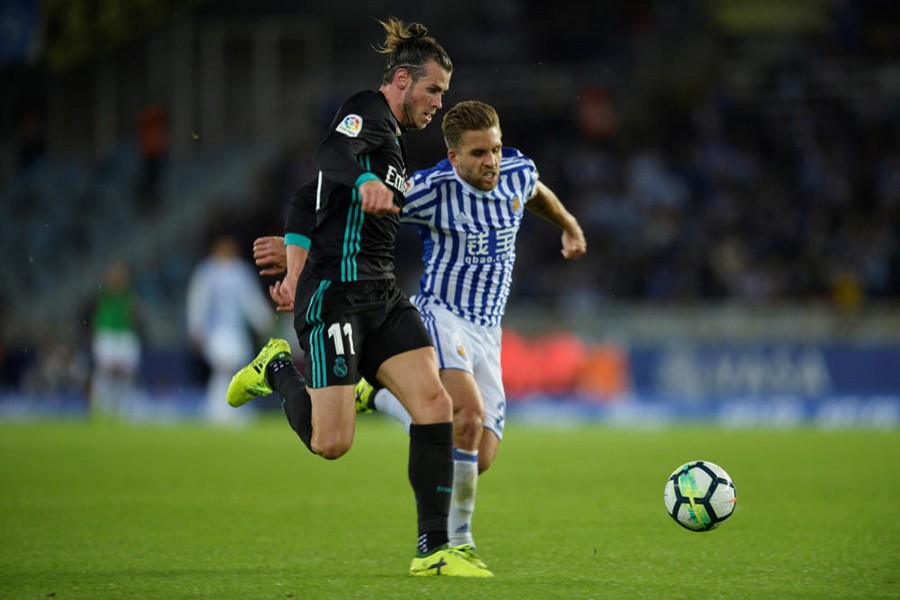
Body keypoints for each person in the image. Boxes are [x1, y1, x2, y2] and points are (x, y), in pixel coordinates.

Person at [253, 100, 587, 569]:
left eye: (494, 149)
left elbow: (535, 192)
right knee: (463, 418)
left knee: (479, 453)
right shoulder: (429, 189)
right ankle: (457, 542)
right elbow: (337, 199)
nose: (490, 161)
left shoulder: (515, 171)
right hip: (441, 315)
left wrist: (569, 226)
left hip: (489, 329)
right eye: (477, 154)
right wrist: (294, 251)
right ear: (454, 157)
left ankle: (377, 395)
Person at [227, 19, 490, 577]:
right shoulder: (366, 112)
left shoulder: (393, 142)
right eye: (433, 90)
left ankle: (434, 550)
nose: (439, 104)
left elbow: (305, 198)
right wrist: (359, 188)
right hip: (337, 298)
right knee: (332, 444)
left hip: (383, 293)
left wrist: (293, 262)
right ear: (401, 79)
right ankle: (276, 369)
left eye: (444, 93)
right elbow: (328, 162)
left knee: (435, 406)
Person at [187, 234, 275, 425]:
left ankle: (229, 409)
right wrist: (196, 327)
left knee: (234, 371)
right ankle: (218, 410)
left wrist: (263, 320)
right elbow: (198, 302)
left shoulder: (241, 272)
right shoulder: (207, 272)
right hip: (216, 331)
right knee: (223, 369)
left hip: (236, 332)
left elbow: (251, 300)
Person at [90, 260, 143, 417]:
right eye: (115, 274)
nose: (118, 278)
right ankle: (98, 406)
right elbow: (95, 317)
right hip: (107, 335)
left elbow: (136, 316)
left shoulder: (130, 295)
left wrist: (136, 313)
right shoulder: (103, 293)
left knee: (127, 373)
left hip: (125, 335)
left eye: (120, 275)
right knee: (106, 372)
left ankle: (122, 407)